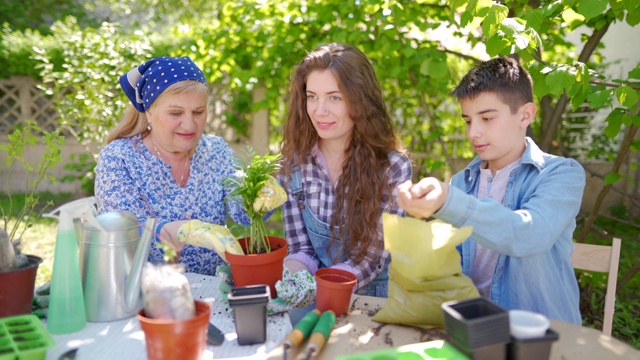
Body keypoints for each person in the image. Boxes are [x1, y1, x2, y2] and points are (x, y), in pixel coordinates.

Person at [396, 56, 585, 324]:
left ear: (525, 115)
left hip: (542, 336)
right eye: (468, 121)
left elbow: (529, 235)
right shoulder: (462, 182)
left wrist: (449, 201)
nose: (474, 133)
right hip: (472, 329)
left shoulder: (560, 174)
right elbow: (450, 267)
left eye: (486, 118)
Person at [278, 42, 412, 307]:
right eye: (312, 96)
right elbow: (301, 250)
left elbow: (373, 260)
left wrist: (326, 289)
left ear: (359, 101)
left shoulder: (393, 167)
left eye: (334, 97)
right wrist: (290, 280)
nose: (319, 110)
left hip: (375, 302)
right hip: (314, 298)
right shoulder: (294, 165)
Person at [95, 56, 249, 275]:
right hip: (146, 293)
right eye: (176, 113)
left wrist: (257, 195)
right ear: (149, 111)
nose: (189, 124)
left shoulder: (216, 151)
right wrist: (166, 232)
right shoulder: (120, 157)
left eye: (198, 112)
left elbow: (242, 212)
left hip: (215, 288)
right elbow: (120, 228)